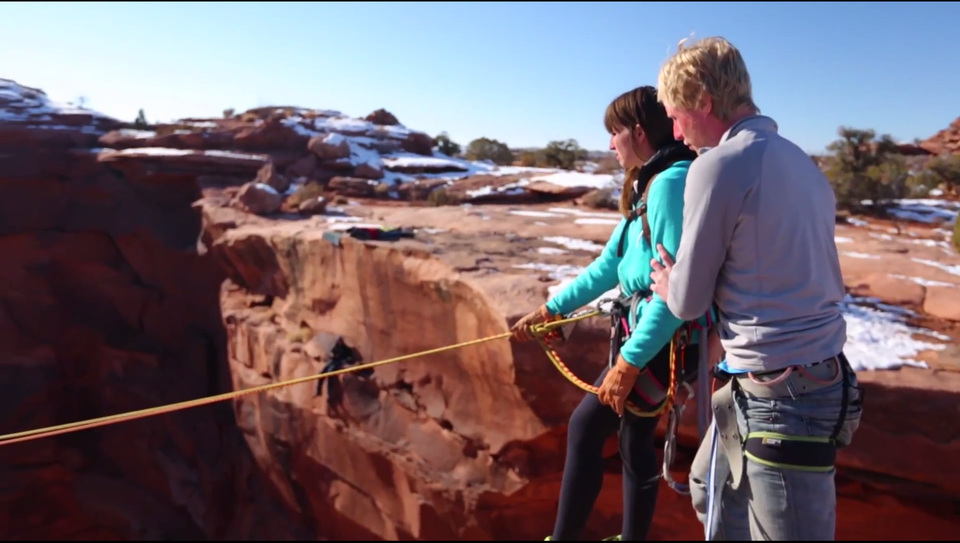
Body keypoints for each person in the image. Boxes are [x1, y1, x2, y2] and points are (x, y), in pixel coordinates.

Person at [648, 36, 865, 541]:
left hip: (784, 399)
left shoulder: (717, 166)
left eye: (676, 115)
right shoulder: (802, 163)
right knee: (706, 485)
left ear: (703, 100)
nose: (676, 133)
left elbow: (688, 300)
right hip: (799, 381)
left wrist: (666, 282)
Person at [511, 85, 713, 541]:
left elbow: (673, 289)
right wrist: (552, 310)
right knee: (632, 438)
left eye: (614, 132)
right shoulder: (652, 181)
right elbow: (611, 266)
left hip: (660, 341)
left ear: (638, 132)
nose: (609, 144)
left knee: (587, 426)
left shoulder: (669, 183)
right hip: (647, 337)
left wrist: (630, 361)